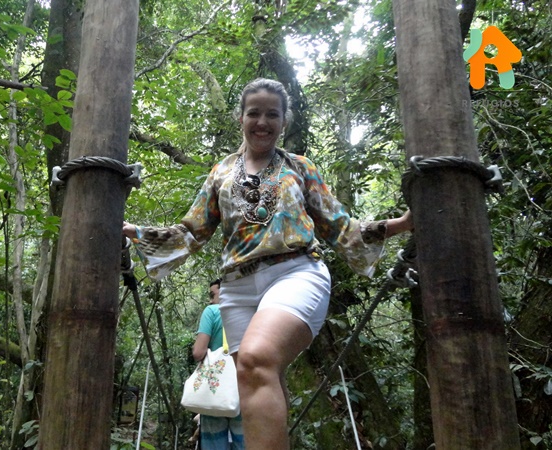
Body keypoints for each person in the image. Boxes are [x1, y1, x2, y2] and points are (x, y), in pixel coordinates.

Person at [123, 77, 413, 450]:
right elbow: (192, 231)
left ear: (284, 121)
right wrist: (133, 232)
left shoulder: (300, 167)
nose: (262, 122)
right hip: (236, 288)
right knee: (255, 377)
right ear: (240, 118)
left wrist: (402, 224)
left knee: (256, 359)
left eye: (272, 114)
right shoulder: (221, 172)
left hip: (296, 272)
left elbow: (340, 227)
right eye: (254, 113)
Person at [192, 279, 244, 450]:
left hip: (215, 391)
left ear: (225, 290)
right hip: (244, 388)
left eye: (212, 294)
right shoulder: (247, 310)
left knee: (215, 444)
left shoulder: (212, 311)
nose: (210, 299)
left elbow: (198, 352)